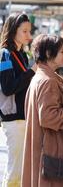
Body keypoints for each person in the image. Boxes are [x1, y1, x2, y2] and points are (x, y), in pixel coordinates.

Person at [22, 34, 63, 187]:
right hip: (52, 153)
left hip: (45, 151)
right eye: (62, 52)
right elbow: (49, 116)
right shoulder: (48, 81)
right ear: (49, 54)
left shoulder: (40, 78)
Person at [0, 13, 36, 187]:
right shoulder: (4, 55)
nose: (29, 36)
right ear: (13, 30)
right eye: (24, 31)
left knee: (21, 169)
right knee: (15, 170)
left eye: (30, 31)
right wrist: (32, 71)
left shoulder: (22, 54)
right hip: (13, 119)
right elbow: (8, 88)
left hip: (23, 118)